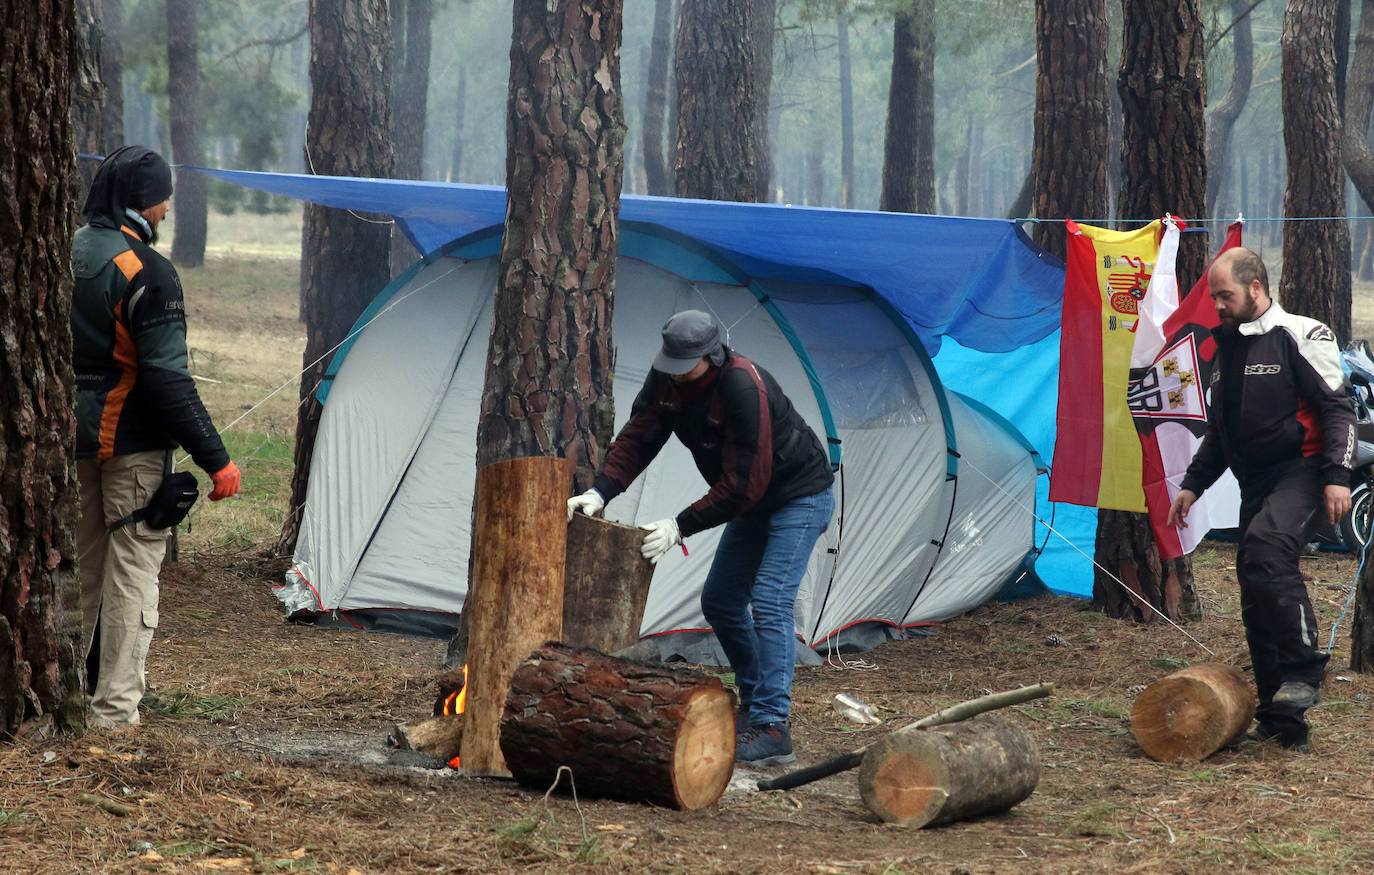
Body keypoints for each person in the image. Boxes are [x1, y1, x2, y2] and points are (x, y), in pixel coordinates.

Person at [567, 310, 835, 765]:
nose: (677, 371)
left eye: (686, 362)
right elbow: (639, 436)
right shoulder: (666, 378)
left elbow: (747, 483)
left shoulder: (744, 388)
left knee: (769, 600)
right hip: (751, 498)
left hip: (798, 496)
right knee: (722, 602)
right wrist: (600, 491)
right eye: (671, 360)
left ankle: (774, 726)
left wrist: (679, 525)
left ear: (713, 355)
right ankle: (752, 704)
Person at [71, 146, 241, 729]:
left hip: (61, 447)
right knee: (131, 574)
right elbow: (168, 381)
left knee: (76, 571)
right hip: (133, 450)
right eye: (164, 199)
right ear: (144, 203)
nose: (167, 211)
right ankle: (114, 715)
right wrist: (217, 461)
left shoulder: (58, 253)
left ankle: (60, 702)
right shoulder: (146, 270)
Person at [1167, 247, 1354, 754]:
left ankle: (1303, 672)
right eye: (1214, 297)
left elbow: (1339, 409)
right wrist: (1193, 484)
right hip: (1256, 480)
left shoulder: (1302, 333)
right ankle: (1281, 721)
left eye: (1224, 295)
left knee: (1268, 548)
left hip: (1306, 470)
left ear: (1255, 288)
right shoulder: (1223, 347)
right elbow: (1222, 432)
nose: (1218, 306)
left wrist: (1337, 475)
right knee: (1253, 578)